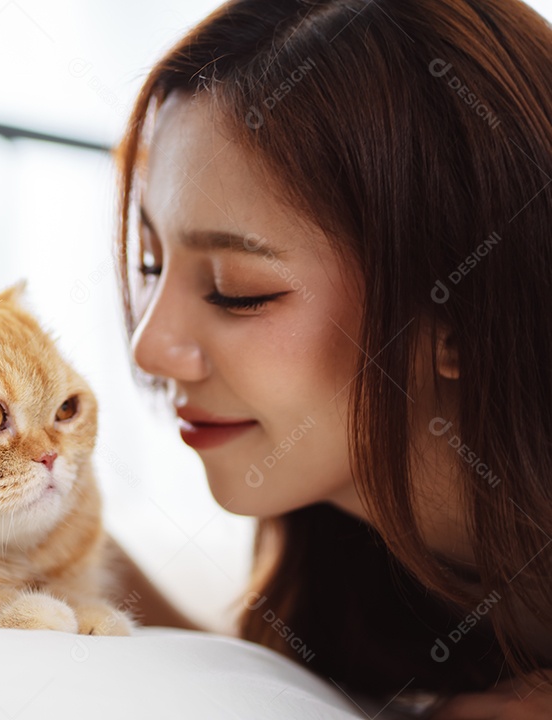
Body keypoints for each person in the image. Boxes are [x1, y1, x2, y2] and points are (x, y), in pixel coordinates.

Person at [105, 0, 552, 717]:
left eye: (236, 291)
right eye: (152, 265)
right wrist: (77, 558)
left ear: (464, 317)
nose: (152, 348)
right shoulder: (330, 534)